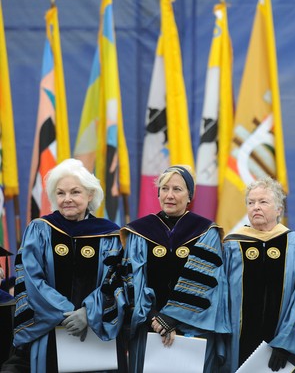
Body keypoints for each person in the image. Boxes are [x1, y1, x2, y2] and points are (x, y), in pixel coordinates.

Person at [1, 158, 126, 373]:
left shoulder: (110, 235)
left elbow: (116, 280)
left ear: (90, 195)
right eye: (60, 193)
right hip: (49, 332)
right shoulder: (40, 230)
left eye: (75, 192)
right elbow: (30, 280)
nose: (67, 199)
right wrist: (67, 313)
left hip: (94, 334)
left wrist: (89, 313)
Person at [121, 165, 230, 373]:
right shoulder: (139, 231)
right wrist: (154, 316)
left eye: (177, 189)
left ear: (190, 195)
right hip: (149, 329)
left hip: (193, 332)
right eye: (164, 188)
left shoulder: (206, 232)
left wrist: (171, 318)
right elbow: (133, 283)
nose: (170, 195)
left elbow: (206, 283)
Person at [222, 176, 295, 372]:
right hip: (237, 341)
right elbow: (221, 298)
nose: (256, 207)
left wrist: (286, 342)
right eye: (251, 202)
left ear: (279, 209)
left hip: (285, 346)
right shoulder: (232, 245)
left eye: (263, 202)